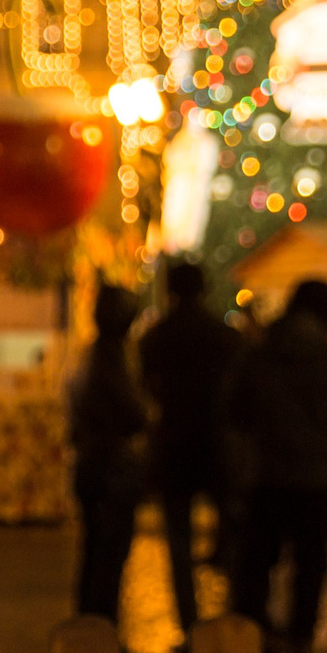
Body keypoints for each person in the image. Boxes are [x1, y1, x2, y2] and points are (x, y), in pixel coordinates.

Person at [223, 280, 327, 653]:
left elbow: (234, 410)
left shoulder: (259, 355)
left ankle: (256, 640)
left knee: (257, 563)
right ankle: (301, 644)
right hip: (318, 480)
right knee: (310, 567)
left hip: (264, 475)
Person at [136, 259, 239, 632]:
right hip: (216, 445)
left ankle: (189, 623)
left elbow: (146, 389)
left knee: (178, 542)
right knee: (232, 533)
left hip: (173, 446)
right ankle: (232, 619)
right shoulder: (224, 337)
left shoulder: (157, 337)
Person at [69, 284, 150, 632]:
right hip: (110, 468)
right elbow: (131, 414)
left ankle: (93, 631)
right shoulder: (111, 357)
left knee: (97, 555)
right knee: (108, 557)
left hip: (94, 465)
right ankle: (100, 634)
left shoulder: (94, 354)